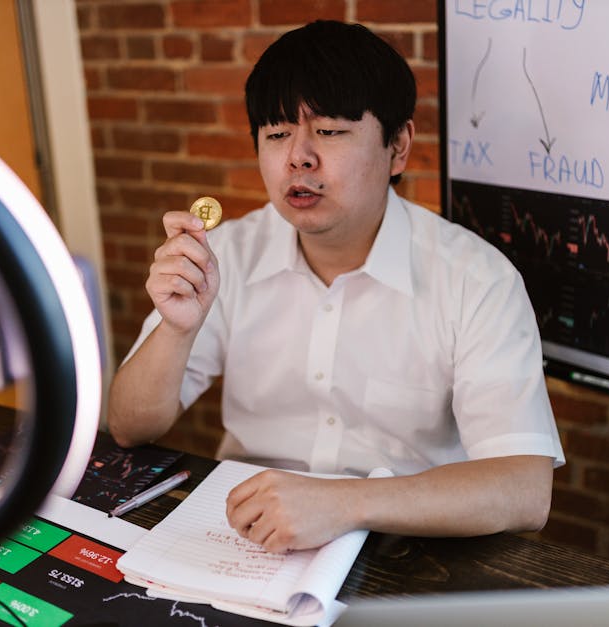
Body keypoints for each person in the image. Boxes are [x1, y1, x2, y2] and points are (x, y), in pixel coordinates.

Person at [108, 20, 564, 553]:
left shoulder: (477, 279)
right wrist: (176, 329)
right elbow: (128, 427)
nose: (298, 157)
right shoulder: (224, 254)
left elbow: (524, 490)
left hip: (408, 549)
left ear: (398, 147)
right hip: (246, 540)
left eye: (329, 131)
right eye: (277, 134)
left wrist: (343, 503)